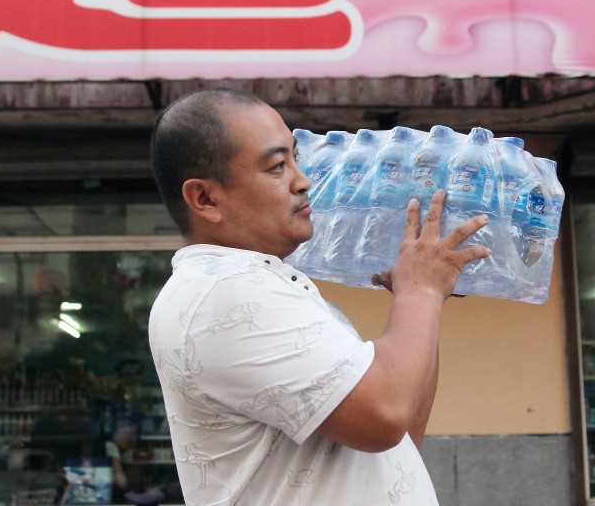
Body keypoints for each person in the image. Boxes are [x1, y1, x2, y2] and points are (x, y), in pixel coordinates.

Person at [148, 88, 490, 505]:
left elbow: (400, 433)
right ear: (205, 199)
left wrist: (425, 296)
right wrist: (419, 291)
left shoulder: (256, 284)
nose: (303, 180)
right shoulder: (228, 293)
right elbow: (385, 415)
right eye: (277, 166)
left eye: (296, 158)